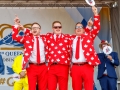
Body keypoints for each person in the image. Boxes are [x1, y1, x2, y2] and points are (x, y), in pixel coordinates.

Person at [70, 6, 100, 90]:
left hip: (87, 66)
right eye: (77, 27)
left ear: (84, 30)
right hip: (75, 67)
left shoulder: (88, 36)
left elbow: (96, 28)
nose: (78, 28)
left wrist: (95, 14)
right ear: (74, 30)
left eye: (80, 27)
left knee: (89, 87)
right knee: (76, 87)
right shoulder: (70, 39)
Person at [12, 21, 48, 90]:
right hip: (32, 67)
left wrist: (24, 29)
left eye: (36, 28)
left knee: (43, 87)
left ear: (40, 30)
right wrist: (16, 25)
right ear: (31, 30)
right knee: (31, 87)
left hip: (43, 67)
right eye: (33, 28)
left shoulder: (45, 38)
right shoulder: (27, 38)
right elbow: (15, 37)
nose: (34, 29)